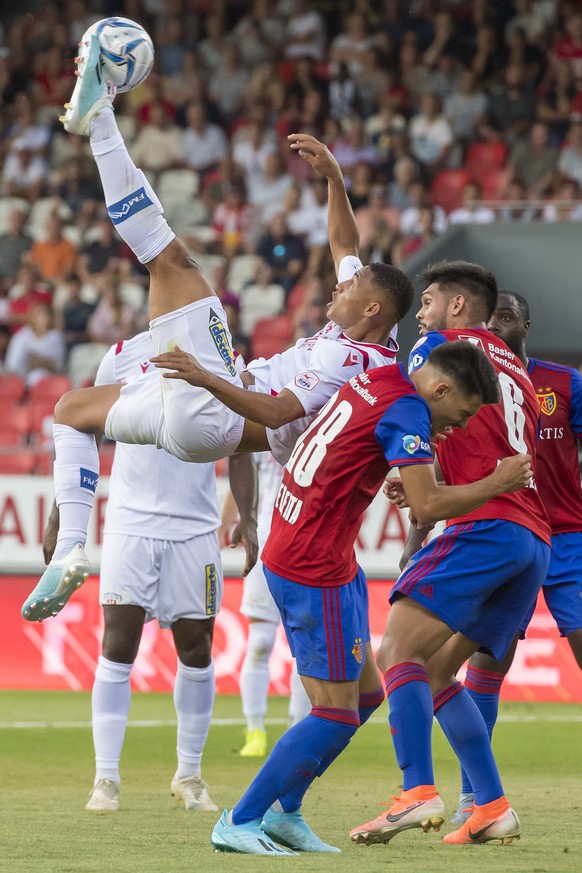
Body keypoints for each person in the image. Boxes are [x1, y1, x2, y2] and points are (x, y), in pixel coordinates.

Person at [20, 37, 413, 625]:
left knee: (172, 261)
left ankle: (100, 119)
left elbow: (279, 415)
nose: (338, 286)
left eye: (350, 289)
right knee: (71, 409)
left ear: (375, 309)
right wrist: (334, 177)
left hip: (218, 411)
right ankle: (73, 542)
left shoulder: (354, 365)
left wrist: (205, 376)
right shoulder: (361, 324)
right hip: (198, 423)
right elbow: (344, 244)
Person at [209, 340, 534, 855]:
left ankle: (284, 812)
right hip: (312, 564)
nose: (461, 427)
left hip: (319, 552)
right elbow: (427, 503)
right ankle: (242, 819)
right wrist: (497, 481)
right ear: (442, 389)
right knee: (335, 712)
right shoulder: (409, 411)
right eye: (462, 413)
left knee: (366, 694)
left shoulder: (383, 378)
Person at [349, 261, 551, 848]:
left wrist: (408, 467)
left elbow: (413, 408)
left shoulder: (440, 348)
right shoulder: (514, 369)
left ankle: (416, 791)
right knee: (437, 673)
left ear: (457, 306)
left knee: (396, 651)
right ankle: (491, 806)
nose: (420, 314)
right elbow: (488, 442)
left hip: (485, 525)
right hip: (531, 540)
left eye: (429, 300)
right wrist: (426, 473)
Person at [41, 330, 257, 813]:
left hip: (195, 527)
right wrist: (61, 513)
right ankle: (106, 779)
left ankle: (190, 775)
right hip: (129, 523)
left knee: (197, 648)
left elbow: (241, 444)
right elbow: (80, 429)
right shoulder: (119, 357)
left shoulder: (221, 357)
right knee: (118, 645)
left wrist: (249, 514)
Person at [450, 290, 582, 824]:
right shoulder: (471, 390)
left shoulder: (564, 383)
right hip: (510, 532)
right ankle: (472, 798)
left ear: (527, 326)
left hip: (569, 537)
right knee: (486, 663)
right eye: (491, 317)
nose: (497, 326)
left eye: (507, 317)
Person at [236, 452, 311, 757]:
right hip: (264, 544)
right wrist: (239, 520)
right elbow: (242, 476)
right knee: (260, 642)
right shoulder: (260, 420)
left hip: (304, 545)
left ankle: (298, 728)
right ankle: (254, 730)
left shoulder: (318, 416)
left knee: (304, 644)